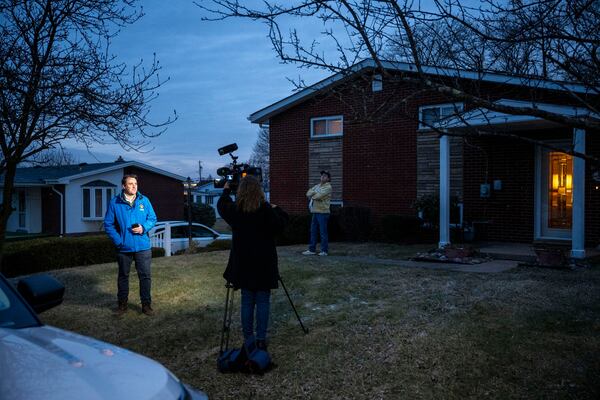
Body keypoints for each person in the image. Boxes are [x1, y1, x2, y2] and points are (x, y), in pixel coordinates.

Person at [217, 175, 288, 350]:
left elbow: (221, 206)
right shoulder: (265, 209)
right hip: (264, 263)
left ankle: (248, 339)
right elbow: (282, 222)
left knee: (247, 300)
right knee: (263, 300)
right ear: (259, 191)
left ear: (240, 191)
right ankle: (261, 339)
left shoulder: (236, 210)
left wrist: (226, 189)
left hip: (244, 264)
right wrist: (276, 207)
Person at [104, 174, 157, 316]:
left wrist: (143, 227)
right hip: (124, 247)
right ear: (123, 186)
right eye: (130, 184)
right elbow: (108, 224)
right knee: (123, 276)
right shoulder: (115, 202)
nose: (134, 186)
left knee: (145, 276)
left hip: (143, 247)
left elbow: (152, 218)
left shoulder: (144, 200)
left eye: (135, 183)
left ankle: (146, 305)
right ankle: (122, 305)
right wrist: (119, 241)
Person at [303, 170, 332, 256]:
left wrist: (314, 194)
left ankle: (324, 251)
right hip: (315, 212)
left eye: (325, 176)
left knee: (323, 232)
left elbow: (318, 196)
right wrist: (315, 193)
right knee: (313, 231)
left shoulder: (328, 187)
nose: (323, 177)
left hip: (323, 212)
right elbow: (308, 193)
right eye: (322, 175)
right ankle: (312, 250)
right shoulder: (317, 186)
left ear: (328, 178)